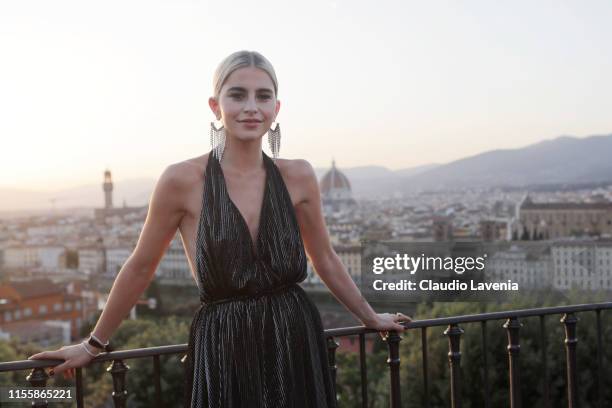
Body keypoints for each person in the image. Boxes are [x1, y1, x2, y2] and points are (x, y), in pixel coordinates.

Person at [28, 50, 411, 406]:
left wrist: (370, 317)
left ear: (276, 109)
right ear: (216, 105)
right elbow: (141, 265)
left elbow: (324, 257)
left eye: (263, 97)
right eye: (237, 95)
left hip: (295, 335)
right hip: (225, 345)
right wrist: (94, 345)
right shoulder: (182, 180)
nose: (250, 107)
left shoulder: (299, 175)